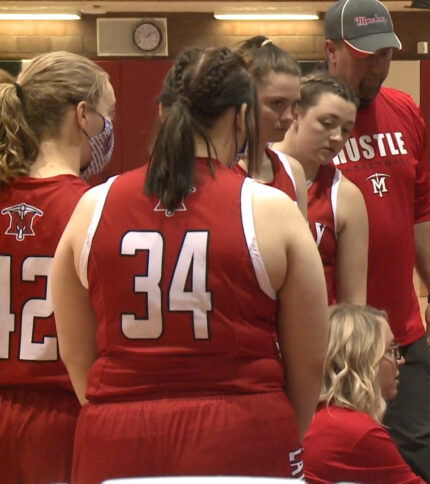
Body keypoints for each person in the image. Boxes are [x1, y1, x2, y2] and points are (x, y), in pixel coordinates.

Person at [51, 46, 329, 482]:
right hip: (243, 429)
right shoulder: (271, 209)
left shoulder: (92, 206)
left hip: (117, 436)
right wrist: (280, 430)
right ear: (242, 117)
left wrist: (121, 410)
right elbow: (309, 361)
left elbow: (75, 353)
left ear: (163, 112)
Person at [323, 0, 430, 480]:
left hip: (401, 330)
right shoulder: (305, 122)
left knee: (419, 452)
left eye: (385, 54)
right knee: (338, 459)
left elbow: (422, 207)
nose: (376, 66)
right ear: (331, 51)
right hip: (333, 337)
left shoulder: (404, 110)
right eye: (365, 56)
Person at [0, 51, 114, 483]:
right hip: (63, 413)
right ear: (82, 115)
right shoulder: (94, 209)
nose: (110, 127)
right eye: (108, 114)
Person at [303, 304, 423, 483]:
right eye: (390, 350)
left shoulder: (314, 415)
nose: (401, 360)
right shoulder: (356, 432)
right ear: (364, 361)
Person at [277, 72, 368, 304]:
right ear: (295, 114)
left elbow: (353, 302)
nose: (337, 137)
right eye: (327, 124)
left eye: (346, 130)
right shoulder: (247, 175)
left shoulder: (345, 195)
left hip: (318, 324)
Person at [233, 36, 309, 217]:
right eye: (277, 103)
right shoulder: (220, 170)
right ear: (245, 99)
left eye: (294, 104)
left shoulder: (293, 171)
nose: (289, 116)